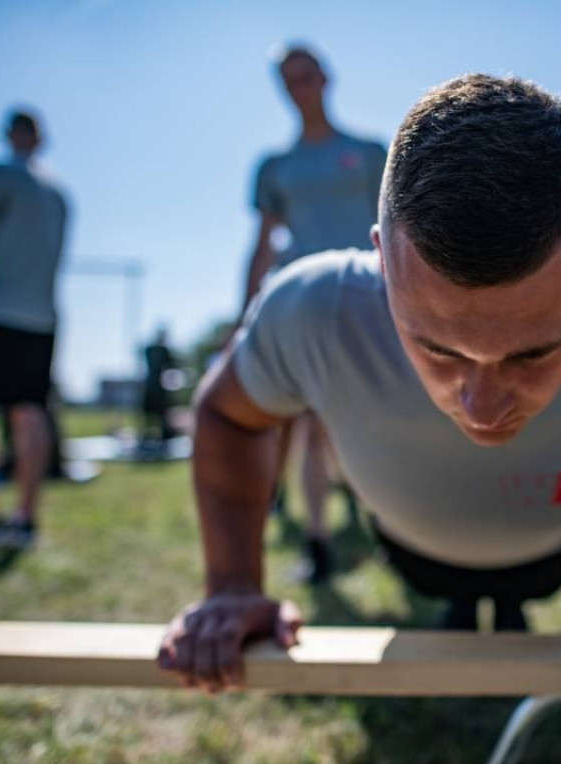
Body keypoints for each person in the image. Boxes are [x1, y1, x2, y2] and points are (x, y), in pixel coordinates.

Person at [159, 75, 561, 698]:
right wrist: (232, 582)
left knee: (515, 593)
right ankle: (469, 602)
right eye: (438, 349)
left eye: (535, 352)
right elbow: (229, 415)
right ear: (384, 262)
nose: (482, 408)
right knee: (456, 597)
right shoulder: (312, 307)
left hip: (551, 555)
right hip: (412, 553)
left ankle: (503, 603)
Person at [243, 43, 386, 581]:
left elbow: (398, 227)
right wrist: (246, 313)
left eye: (307, 75)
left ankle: (394, 526)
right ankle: (319, 540)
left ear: (326, 77)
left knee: (373, 413)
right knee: (310, 420)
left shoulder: (368, 153)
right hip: (303, 301)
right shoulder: (276, 167)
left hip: (369, 296)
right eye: (289, 79)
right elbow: (262, 244)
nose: (300, 86)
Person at [0, 109, 69, 550]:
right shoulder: (59, 192)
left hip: (1, 310)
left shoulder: (2, 175)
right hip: (44, 316)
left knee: (15, 414)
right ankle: (25, 520)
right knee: (31, 412)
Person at [140, 326, 179, 445]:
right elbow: (172, 365)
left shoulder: (149, 349)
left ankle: (149, 434)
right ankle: (160, 435)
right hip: (159, 386)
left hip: (150, 385)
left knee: (151, 414)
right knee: (159, 413)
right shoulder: (163, 350)